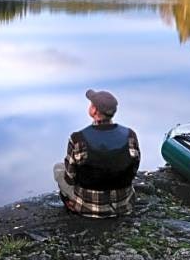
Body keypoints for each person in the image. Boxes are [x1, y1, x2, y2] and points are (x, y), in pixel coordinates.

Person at [53, 89, 141, 218]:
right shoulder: (130, 135)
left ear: (94, 111)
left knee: (58, 168)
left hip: (89, 208)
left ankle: (73, 205)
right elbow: (134, 169)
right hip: (124, 205)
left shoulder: (78, 138)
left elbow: (69, 178)